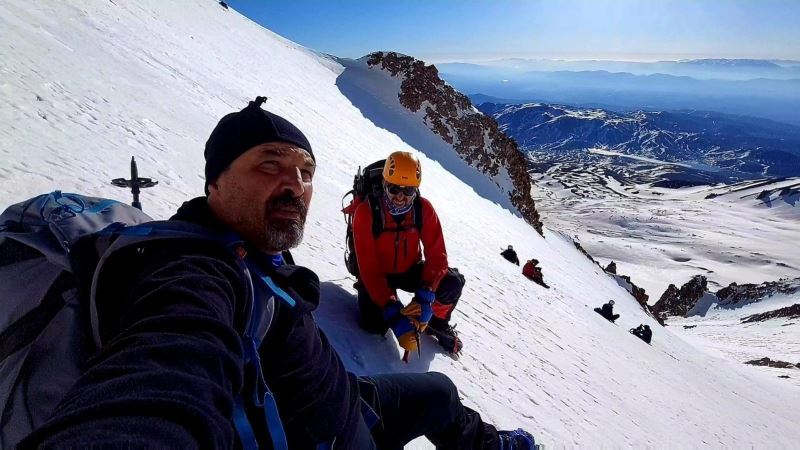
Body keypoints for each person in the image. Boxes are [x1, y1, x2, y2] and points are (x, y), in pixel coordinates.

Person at [19, 98, 536, 449]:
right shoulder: (194, 271)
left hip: (341, 397)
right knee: (391, 336)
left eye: (305, 171)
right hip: (327, 427)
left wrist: (424, 302)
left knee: (440, 393)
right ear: (216, 180)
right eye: (269, 165)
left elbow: (439, 258)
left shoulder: (260, 246)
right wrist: (393, 316)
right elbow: (165, 376)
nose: (295, 184)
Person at [352, 151, 465, 354]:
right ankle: (397, 311)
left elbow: (437, 257)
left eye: (408, 190)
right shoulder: (366, 212)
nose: (400, 198)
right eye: (394, 189)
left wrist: (426, 295)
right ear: (385, 184)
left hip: (410, 269)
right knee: (374, 326)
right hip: (379, 275)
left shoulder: (423, 209)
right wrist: (392, 308)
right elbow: (369, 268)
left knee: (452, 282)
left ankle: (435, 322)